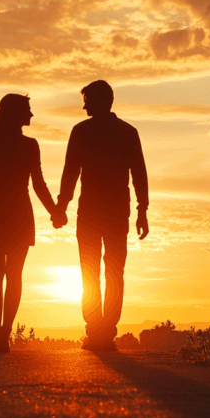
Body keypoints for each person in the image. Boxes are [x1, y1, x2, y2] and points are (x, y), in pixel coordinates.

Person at [54, 80, 149, 351]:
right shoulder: (128, 132)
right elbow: (139, 174)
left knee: (92, 271)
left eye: (87, 100)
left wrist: (62, 206)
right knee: (113, 272)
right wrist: (142, 209)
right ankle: (104, 332)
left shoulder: (81, 131)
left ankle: (97, 330)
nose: (84, 106)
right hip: (117, 210)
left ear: (99, 100)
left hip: (92, 211)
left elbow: (70, 172)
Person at [0, 94, 60, 352]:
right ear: (16, 113)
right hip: (18, 215)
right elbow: (39, 184)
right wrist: (54, 211)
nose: (31, 115)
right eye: (28, 110)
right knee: (13, 275)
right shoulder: (29, 145)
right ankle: (4, 331)